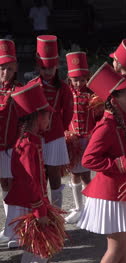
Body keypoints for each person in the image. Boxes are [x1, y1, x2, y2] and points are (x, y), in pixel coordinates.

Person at [77, 63, 126, 263]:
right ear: (114, 101)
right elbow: (88, 159)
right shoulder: (106, 127)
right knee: (116, 248)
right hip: (111, 194)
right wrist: (122, 164)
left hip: (125, 191)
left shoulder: (121, 122)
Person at [4, 81, 55, 263]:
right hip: (30, 205)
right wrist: (40, 210)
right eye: (48, 115)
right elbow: (29, 181)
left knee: (37, 251)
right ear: (37, 117)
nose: (50, 120)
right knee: (41, 252)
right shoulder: (27, 145)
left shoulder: (32, 141)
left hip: (33, 202)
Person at [30, 35, 73, 209]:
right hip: (36, 137)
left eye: (51, 68)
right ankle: (42, 213)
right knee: (39, 176)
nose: (47, 72)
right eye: (43, 68)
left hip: (55, 136)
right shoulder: (32, 85)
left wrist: (58, 129)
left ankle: (56, 214)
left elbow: (68, 112)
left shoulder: (63, 88)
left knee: (54, 175)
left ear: (57, 66)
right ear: (38, 67)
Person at [63, 51, 96, 224]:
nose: (79, 83)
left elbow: (97, 116)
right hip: (72, 140)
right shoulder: (66, 93)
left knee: (85, 175)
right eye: (76, 79)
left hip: (87, 140)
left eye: (82, 79)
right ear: (70, 79)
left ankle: (89, 208)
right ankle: (78, 207)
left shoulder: (92, 94)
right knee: (73, 174)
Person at [0, 39, 20, 248]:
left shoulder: (20, 90)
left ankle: (15, 229)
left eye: (8, 69)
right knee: (4, 186)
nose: (5, 73)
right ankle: (9, 226)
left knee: (13, 187)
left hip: (12, 148)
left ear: (15, 69)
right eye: (1, 69)